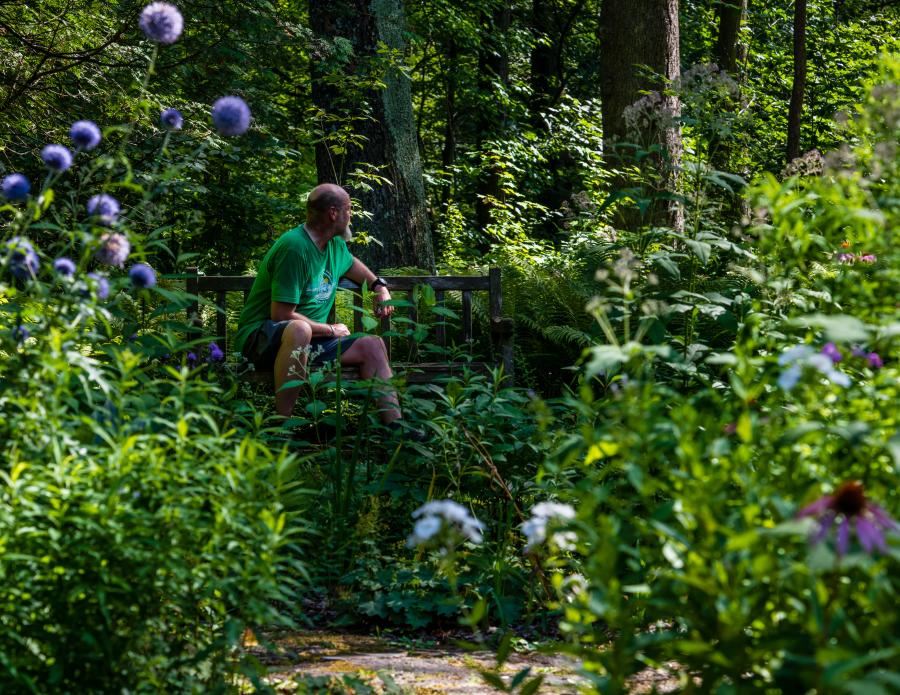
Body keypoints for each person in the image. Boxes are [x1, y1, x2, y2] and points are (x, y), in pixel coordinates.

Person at [234, 183, 404, 427]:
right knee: (299, 329)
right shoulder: (295, 248)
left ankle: (396, 429)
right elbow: (281, 315)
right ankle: (282, 428)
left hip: (309, 342)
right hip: (262, 341)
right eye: (348, 210)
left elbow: (351, 264)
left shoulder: (333, 244)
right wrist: (331, 330)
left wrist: (379, 286)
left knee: (372, 345)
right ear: (333, 213)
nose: (351, 216)